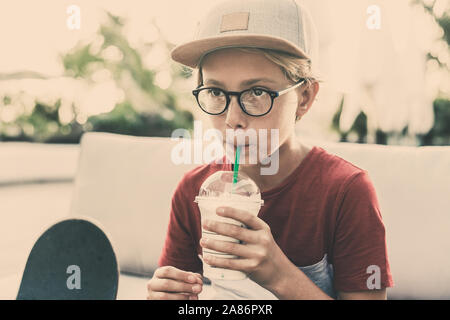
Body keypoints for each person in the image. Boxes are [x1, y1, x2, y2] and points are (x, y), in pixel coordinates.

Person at [147, 0, 393, 300]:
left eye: (257, 92)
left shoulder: (346, 192)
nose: (233, 119)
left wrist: (279, 273)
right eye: (215, 91)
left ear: (304, 97)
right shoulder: (192, 192)